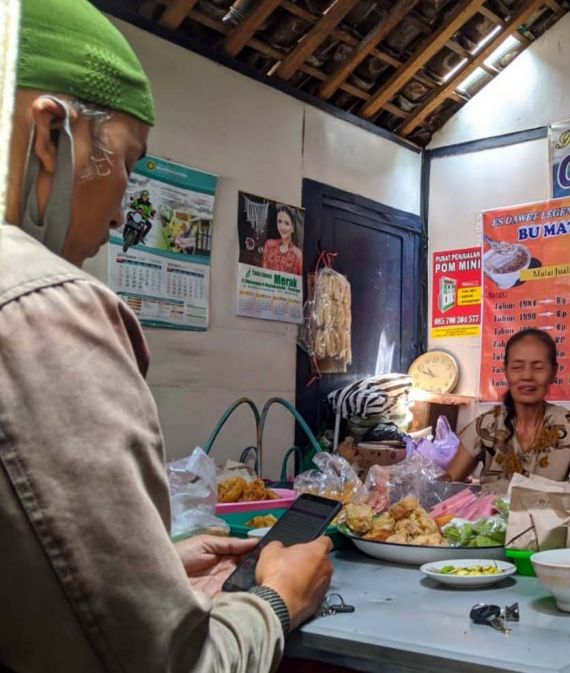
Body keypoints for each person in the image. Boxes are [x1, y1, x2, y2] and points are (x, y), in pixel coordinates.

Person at [0, 2, 332, 671]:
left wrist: (154, 571)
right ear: (48, 133)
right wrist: (276, 600)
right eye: (126, 161)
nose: (125, 208)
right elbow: (172, 665)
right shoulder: (43, 309)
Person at [447, 328, 570, 483]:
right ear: (506, 371)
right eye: (517, 367)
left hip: (549, 508)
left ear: (554, 372)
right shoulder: (486, 426)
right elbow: (446, 484)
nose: (527, 376)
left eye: (538, 367)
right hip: (494, 508)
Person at [261, 204, 302, 275]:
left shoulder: (298, 254)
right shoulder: (269, 244)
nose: (282, 227)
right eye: (279, 221)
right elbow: (263, 274)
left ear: (292, 227)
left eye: (286, 223)